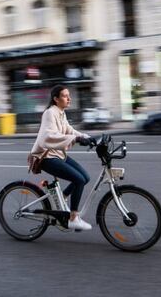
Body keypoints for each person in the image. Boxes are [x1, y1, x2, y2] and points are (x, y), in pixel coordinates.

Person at [30, 85, 96, 231]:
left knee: (85, 177)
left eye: (68, 95)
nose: (69, 98)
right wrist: (76, 139)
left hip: (58, 154)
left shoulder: (61, 113)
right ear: (56, 99)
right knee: (78, 180)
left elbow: (69, 130)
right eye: (65, 96)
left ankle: (63, 197)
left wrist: (87, 137)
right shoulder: (49, 113)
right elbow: (47, 137)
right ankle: (73, 218)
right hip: (47, 157)